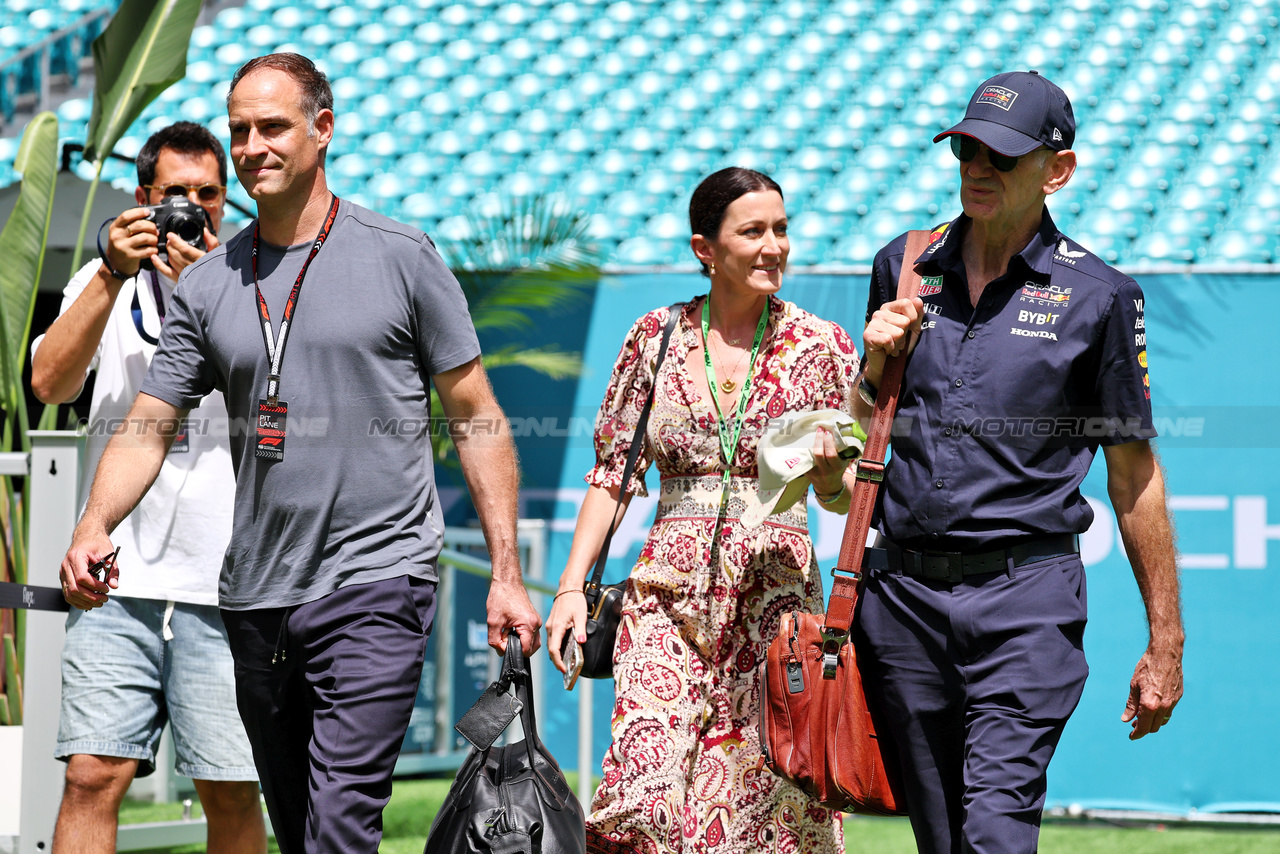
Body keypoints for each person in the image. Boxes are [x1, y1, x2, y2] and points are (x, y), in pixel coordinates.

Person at [56, 53, 542, 854]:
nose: (252, 146)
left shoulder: (399, 255)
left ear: (322, 130)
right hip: (255, 597)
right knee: (299, 825)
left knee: (341, 822)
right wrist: (92, 524)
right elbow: (148, 421)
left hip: (377, 579)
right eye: (240, 130)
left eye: (272, 126)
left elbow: (476, 415)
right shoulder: (211, 283)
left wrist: (507, 575)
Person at [851, 70, 1185, 854]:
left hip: (1024, 607)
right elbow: (856, 430)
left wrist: (1164, 640)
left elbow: (1133, 476)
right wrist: (870, 368)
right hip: (899, 606)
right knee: (943, 843)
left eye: (1001, 155)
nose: (977, 167)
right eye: (967, 148)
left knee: (996, 836)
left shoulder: (1100, 296)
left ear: (1057, 170)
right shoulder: (901, 267)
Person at [546, 167, 857, 853]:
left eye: (781, 229)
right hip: (664, 601)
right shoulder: (654, 338)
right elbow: (612, 475)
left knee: (762, 813)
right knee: (641, 790)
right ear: (705, 249)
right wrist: (571, 588)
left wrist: (831, 478)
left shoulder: (823, 347)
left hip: (775, 612)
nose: (774, 245)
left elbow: (843, 494)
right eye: (753, 231)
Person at [31, 122, 266, 854]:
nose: (192, 211)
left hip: (224, 580)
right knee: (91, 776)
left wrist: (209, 288)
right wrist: (108, 273)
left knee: (229, 787)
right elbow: (49, 382)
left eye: (208, 195)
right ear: (143, 199)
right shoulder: (103, 276)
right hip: (115, 576)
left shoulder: (258, 274)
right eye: (175, 196)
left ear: (227, 201)